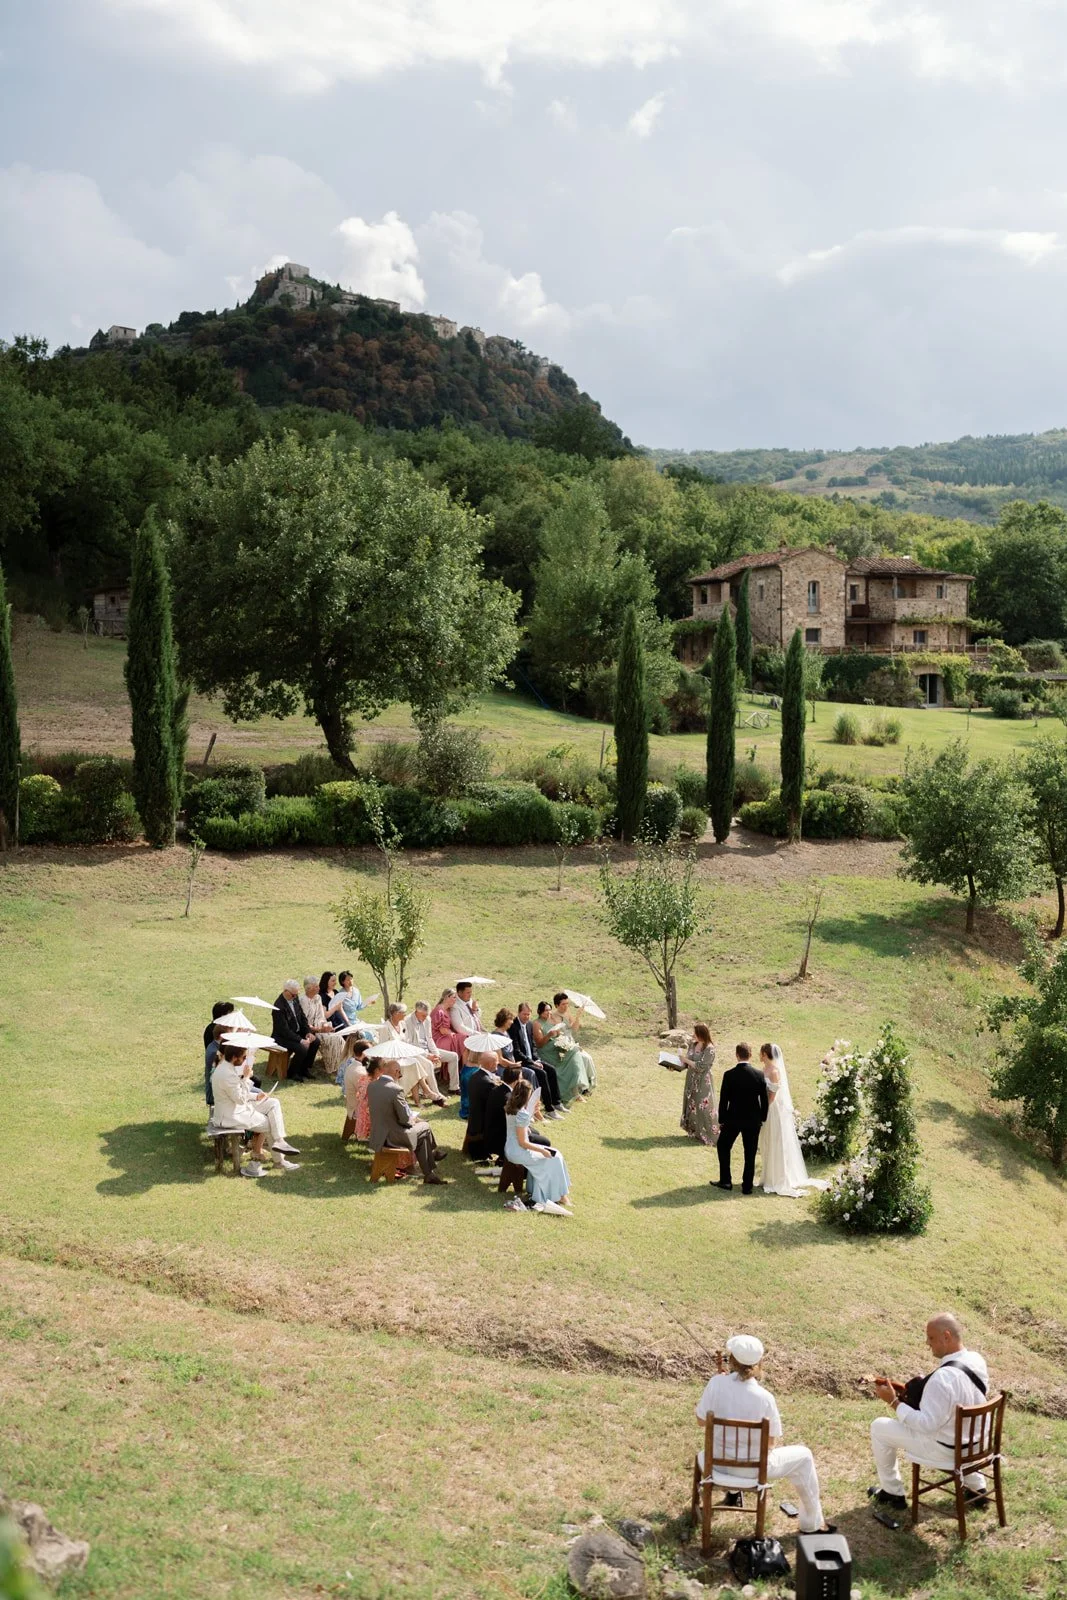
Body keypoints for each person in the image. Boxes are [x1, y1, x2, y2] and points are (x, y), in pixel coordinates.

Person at [695, 1335, 833, 1534]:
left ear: (731, 1360)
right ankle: (813, 1524)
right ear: (759, 1363)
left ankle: (733, 1493)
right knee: (804, 1456)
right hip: (752, 1471)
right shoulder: (765, 1398)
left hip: (717, 1465)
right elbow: (770, 1444)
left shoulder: (716, 1383)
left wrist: (720, 1387)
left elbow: (701, 1421)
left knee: (731, 1446)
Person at [868, 1313, 991, 1513]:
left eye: (931, 1337)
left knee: (879, 1427)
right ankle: (977, 1488)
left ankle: (892, 1492)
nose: (927, 1343)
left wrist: (893, 1401)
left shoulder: (942, 1378)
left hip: (949, 1451)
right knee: (954, 1425)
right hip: (976, 1445)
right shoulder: (977, 1360)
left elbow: (926, 1425)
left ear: (946, 1336)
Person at [210, 1042, 301, 1177]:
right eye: (243, 1057)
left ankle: (280, 1141)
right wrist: (247, 1078)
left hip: (234, 1107)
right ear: (234, 1057)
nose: (245, 1060)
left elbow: (235, 1093)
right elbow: (240, 1099)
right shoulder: (227, 1074)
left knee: (273, 1103)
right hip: (230, 1116)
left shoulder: (225, 1067)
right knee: (270, 1123)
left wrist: (256, 1096)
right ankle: (279, 1161)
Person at [365, 1056, 449, 1185]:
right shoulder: (395, 1090)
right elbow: (405, 1119)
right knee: (425, 1126)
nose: (400, 1076)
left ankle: (429, 1173)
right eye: (400, 1074)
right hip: (393, 1137)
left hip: (378, 1135)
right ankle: (432, 1155)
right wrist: (413, 1120)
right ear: (396, 1072)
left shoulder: (372, 1086)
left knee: (422, 1136)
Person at [759, 1044, 828, 1197]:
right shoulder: (764, 1070)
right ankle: (767, 1176)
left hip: (773, 1110)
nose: (759, 1055)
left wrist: (763, 1108)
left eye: (760, 1052)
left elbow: (772, 1096)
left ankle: (777, 1178)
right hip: (766, 1108)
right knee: (766, 1141)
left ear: (764, 1054)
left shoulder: (774, 1071)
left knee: (775, 1141)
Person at [503, 1079, 572, 1213]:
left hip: (511, 1148)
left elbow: (519, 1129)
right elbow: (523, 1142)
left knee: (556, 1153)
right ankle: (560, 1195)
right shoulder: (521, 1113)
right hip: (518, 1151)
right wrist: (541, 1150)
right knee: (554, 1158)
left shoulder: (510, 1107)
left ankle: (559, 1194)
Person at [713, 1043, 769, 1194]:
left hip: (733, 1119)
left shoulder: (729, 1075)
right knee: (750, 1153)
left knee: (723, 1146)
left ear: (737, 1055)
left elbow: (724, 1100)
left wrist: (721, 1120)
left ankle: (726, 1181)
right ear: (750, 1055)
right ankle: (747, 1186)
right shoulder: (759, 1075)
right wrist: (762, 1118)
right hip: (753, 1120)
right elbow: (764, 1101)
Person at [382, 1002, 446, 1107]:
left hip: (404, 1055)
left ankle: (425, 1094)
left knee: (418, 1063)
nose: (405, 1014)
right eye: (403, 1012)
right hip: (391, 1059)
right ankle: (425, 1093)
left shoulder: (402, 1024)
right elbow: (382, 1047)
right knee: (414, 1064)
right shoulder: (385, 1027)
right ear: (396, 1013)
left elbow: (406, 1042)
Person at [533, 998, 594, 1104]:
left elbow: (560, 1033)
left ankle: (576, 1089)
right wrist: (549, 1035)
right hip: (546, 1051)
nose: (549, 1012)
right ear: (540, 1011)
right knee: (573, 1053)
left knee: (574, 1052)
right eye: (546, 1010)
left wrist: (560, 1037)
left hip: (556, 1047)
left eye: (549, 1010)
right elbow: (539, 1044)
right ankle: (574, 1092)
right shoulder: (536, 1023)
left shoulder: (551, 1019)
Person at [509, 1002, 566, 1117]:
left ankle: (556, 1102)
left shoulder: (529, 1025)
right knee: (542, 1073)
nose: (527, 1017)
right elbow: (516, 1051)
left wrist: (537, 1059)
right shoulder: (513, 1027)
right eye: (524, 1014)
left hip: (532, 1059)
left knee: (551, 1070)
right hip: (522, 1061)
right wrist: (532, 1062)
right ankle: (549, 1109)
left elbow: (533, 1045)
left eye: (528, 1014)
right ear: (519, 1013)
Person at [405, 1000, 459, 1093]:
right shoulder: (407, 1021)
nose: (425, 1017)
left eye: (426, 1015)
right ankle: (433, 1092)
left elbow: (429, 1039)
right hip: (417, 1053)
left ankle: (454, 1088)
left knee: (453, 1056)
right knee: (429, 1063)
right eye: (423, 1015)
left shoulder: (427, 1019)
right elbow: (410, 1045)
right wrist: (427, 1055)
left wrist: (436, 1053)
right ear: (417, 1011)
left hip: (428, 1050)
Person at [272, 980, 320, 1081]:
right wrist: (301, 1040)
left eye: (296, 995)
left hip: (295, 1032)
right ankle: (292, 1073)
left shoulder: (294, 998)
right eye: (293, 995)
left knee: (315, 1041)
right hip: (282, 1037)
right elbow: (284, 1030)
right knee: (302, 1048)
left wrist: (308, 1032)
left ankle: (304, 1069)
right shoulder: (279, 1007)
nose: (295, 997)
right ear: (286, 991)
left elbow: (302, 1017)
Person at [300, 976, 345, 1078]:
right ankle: (332, 1067)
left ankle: (340, 1066)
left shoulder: (318, 998)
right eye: (316, 987)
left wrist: (325, 1025)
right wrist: (319, 1029)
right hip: (309, 1030)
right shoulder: (303, 1000)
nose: (319, 988)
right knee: (331, 1040)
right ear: (309, 988)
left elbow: (321, 1016)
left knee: (338, 1038)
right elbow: (304, 1023)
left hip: (320, 1028)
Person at [681, 1024, 717, 1144]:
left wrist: (685, 1060)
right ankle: (693, 1132)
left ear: (701, 1034)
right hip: (691, 1079)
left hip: (702, 1081)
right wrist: (675, 1066)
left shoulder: (710, 1049)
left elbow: (701, 1066)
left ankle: (708, 1134)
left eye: (695, 1033)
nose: (693, 1035)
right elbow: (687, 1063)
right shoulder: (692, 1045)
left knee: (703, 1106)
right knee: (691, 1104)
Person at [465, 1051, 503, 1162]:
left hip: (474, 1117)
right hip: (483, 1122)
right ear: (491, 1064)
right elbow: (494, 1104)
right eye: (496, 1061)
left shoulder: (475, 1075)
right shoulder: (487, 1082)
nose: (498, 1063)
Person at [335, 971, 378, 1039]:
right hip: (346, 1021)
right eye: (348, 980)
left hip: (355, 1020)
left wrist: (368, 1002)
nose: (350, 981)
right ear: (342, 982)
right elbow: (339, 1011)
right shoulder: (340, 994)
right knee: (361, 1035)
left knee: (371, 1032)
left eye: (351, 979)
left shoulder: (356, 991)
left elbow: (359, 1007)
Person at [449, 981, 481, 1053]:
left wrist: (475, 1009)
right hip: (468, 1039)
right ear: (460, 993)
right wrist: (475, 1034)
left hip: (477, 1035)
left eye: (471, 992)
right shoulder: (455, 1007)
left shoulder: (470, 1001)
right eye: (468, 992)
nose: (470, 995)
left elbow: (477, 1017)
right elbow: (459, 1027)